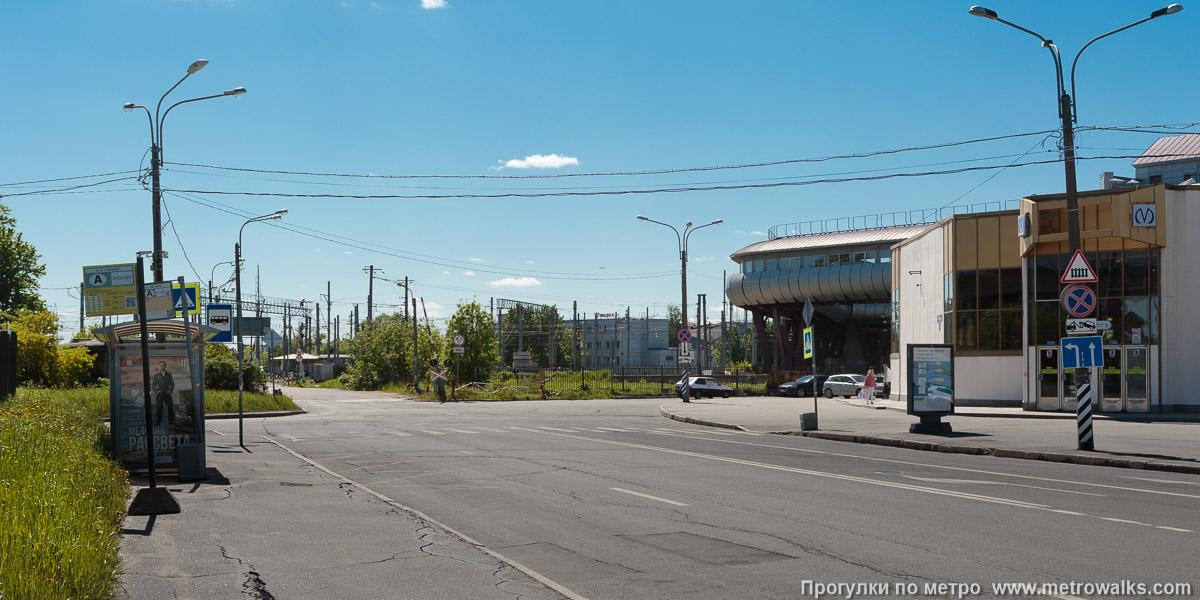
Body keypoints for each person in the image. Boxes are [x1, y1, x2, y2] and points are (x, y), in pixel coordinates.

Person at [153, 361, 175, 426]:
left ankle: (171, 422)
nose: (161, 366)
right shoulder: (157, 375)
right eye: (160, 365)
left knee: (170, 407)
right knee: (159, 407)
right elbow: (154, 384)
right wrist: (156, 391)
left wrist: (170, 390)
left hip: (167, 393)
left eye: (162, 365)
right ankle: (158, 422)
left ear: (165, 366)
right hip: (160, 394)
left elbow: (172, 383)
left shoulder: (168, 375)